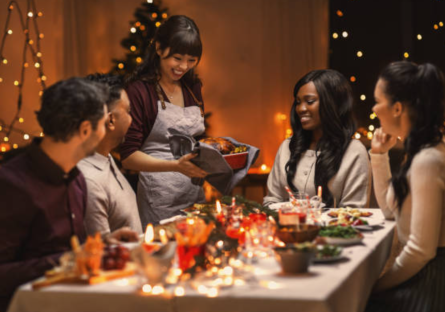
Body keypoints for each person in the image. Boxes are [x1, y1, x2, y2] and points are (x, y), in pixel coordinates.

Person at [0, 77, 138, 311]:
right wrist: (67, 261)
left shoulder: (76, 180)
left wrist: (102, 245)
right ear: (86, 130)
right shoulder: (12, 184)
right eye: (104, 123)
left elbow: (67, 249)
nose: (106, 130)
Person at [366, 61, 445, 312]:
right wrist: (378, 156)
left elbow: (421, 250)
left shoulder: (427, 160)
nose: (374, 108)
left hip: (431, 281)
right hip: (423, 271)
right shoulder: (419, 152)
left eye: (378, 100)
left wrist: (376, 286)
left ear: (397, 108)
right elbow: (392, 212)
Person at [120, 15, 207, 227]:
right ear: (159, 48)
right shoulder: (140, 91)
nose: (184, 66)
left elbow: (198, 141)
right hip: (157, 197)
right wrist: (175, 166)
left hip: (194, 193)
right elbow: (128, 156)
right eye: (177, 58)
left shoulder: (192, 88)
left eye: (191, 60)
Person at [263, 69, 371, 208]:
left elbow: (354, 213)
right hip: (286, 229)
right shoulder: (287, 147)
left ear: (332, 104)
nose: (301, 108)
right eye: (298, 102)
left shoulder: (354, 152)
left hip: (332, 230)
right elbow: (271, 201)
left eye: (310, 101)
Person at [78, 74, 143, 236]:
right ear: (111, 120)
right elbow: (102, 253)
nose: (132, 119)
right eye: (128, 111)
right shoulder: (90, 180)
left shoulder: (104, 157)